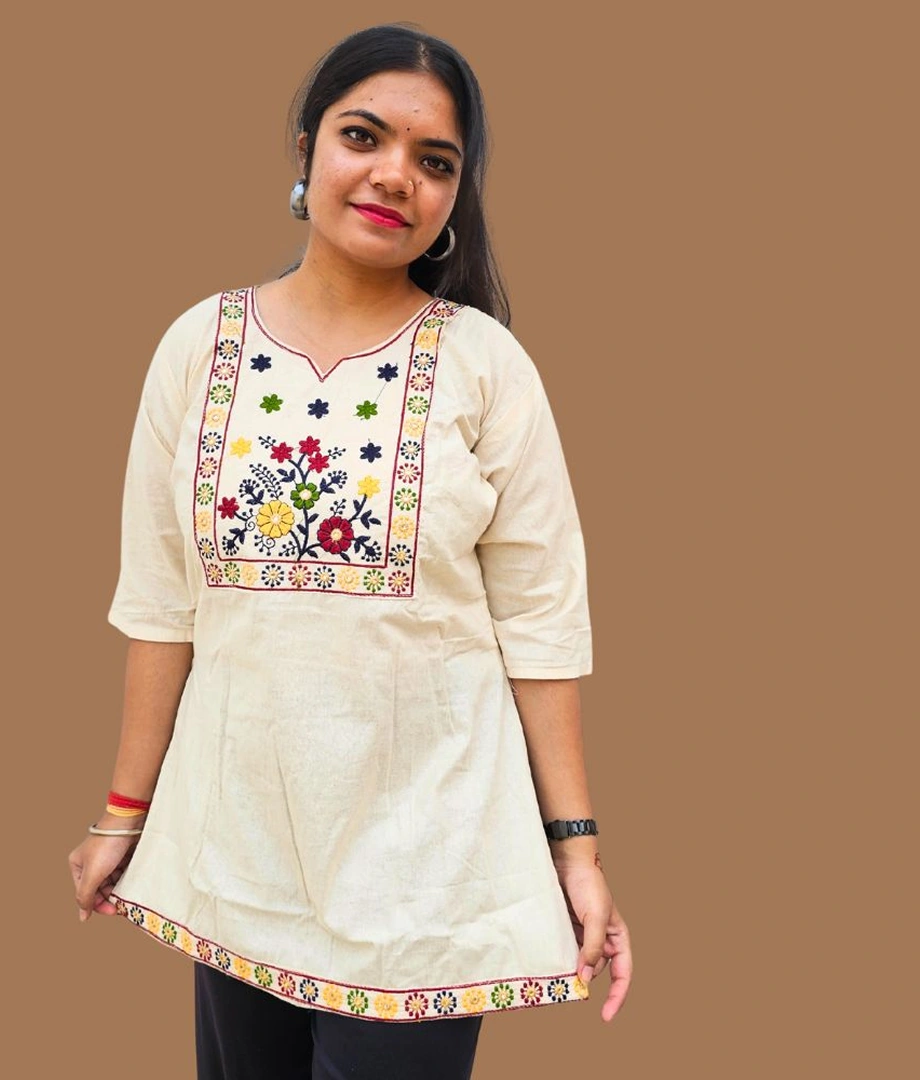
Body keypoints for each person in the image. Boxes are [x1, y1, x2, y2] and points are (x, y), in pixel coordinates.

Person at [68, 22, 632, 1080]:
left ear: (456, 195)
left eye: (436, 161)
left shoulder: (485, 367)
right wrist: (121, 815)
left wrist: (578, 851)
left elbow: (543, 625)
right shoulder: (199, 347)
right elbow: (162, 606)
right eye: (362, 136)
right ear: (305, 149)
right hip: (240, 857)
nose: (395, 177)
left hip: (429, 873)